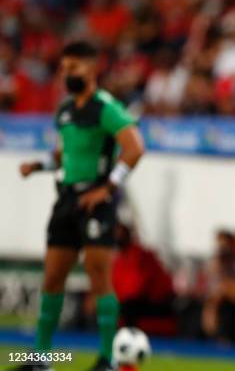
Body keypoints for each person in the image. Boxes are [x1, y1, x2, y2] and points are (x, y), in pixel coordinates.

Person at [17, 41, 145, 371]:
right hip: (67, 200)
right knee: (52, 277)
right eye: (64, 68)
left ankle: (108, 359)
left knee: (98, 276)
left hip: (95, 203)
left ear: (93, 67)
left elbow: (134, 148)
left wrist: (109, 188)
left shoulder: (106, 108)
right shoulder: (65, 110)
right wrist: (39, 166)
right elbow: (64, 155)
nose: (67, 73)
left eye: (73, 67)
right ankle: (41, 360)